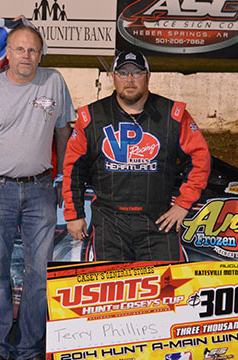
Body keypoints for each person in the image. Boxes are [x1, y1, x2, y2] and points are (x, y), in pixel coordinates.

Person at [0, 25, 75, 360]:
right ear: (8, 53)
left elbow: (63, 130)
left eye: (33, 51)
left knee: (39, 274)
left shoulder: (53, 81)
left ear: (41, 54)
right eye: (20, 50)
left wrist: (60, 179)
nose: (27, 57)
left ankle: (29, 349)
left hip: (41, 190)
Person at [63, 49, 211, 262]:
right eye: (123, 73)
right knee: (114, 291)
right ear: (113, 77)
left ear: (148, 77)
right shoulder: (90, 117)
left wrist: (182, 204)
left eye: (137, 73)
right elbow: (73, 169)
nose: (129, 80)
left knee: (164, 292)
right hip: (109, 222)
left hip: (158, 221)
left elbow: (200, 158)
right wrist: (74, 214)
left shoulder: (173, 114)